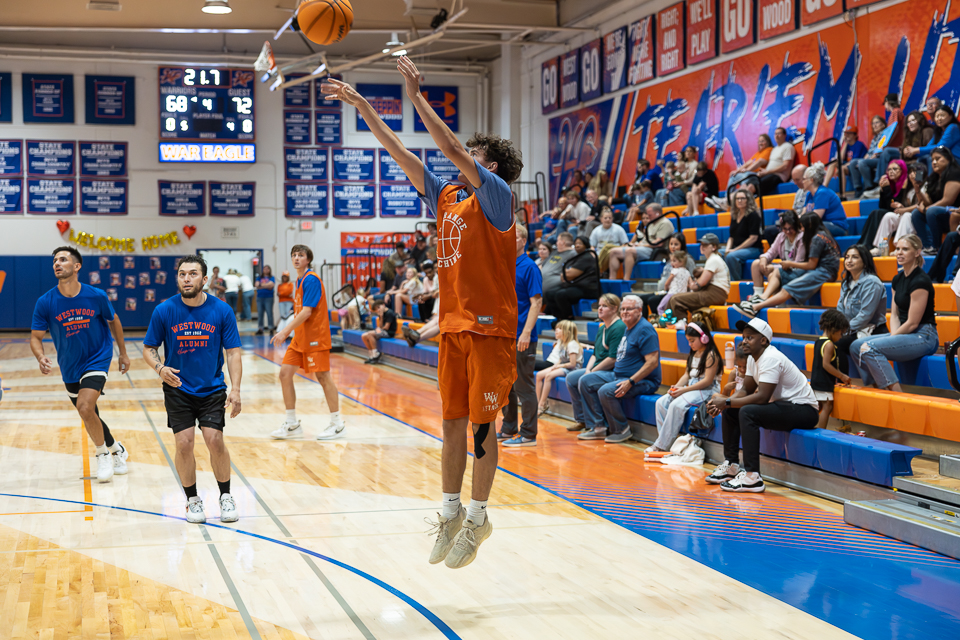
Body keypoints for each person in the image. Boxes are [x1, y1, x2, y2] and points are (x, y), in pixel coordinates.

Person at [324, 59, 521, 569]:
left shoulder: (498, 197)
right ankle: (451, 512)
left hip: (490, 329)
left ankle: (478, 518)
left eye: (475, 156)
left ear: (491, 167)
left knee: (482, 429)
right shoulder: (448, 195)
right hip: (453, 327)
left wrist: (414, 95)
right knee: (451, 424)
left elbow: (449, 147)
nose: (463, 159)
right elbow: (400, 152)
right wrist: (363, 106)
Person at [142, 255, 242, 524]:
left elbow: (233, 352)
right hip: (178, 388)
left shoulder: (222, 310)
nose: (187, 279)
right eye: (182, 274)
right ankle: (193, 500)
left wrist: (236, 390)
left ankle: (225, 495)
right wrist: (160, 368)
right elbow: (149, 348)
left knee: (215, 440)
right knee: (184, 444)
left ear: (205, 279)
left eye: (193, 274)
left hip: (211, 388)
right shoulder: (164, 310)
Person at [31, 246, 131, 483]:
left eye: (63, 259)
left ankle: (102, 454)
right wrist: (40, 356)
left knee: (85, 407)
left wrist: (123, 353)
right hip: (69, 365)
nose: (57, 263)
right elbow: (35, 337)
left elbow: (114, 320)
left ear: (76, 266)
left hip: (97, 357)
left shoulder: (96, 295)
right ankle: (117, 449)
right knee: (89, 413)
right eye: (55, 261)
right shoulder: (45, 302)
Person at [705, 317, 819, 492]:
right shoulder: (752, 358)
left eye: (750, 337)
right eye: (744, 337)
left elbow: (762, 397)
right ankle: (732, 465)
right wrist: (724, 404)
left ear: (763, 340)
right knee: (731, 411)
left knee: (747, 412)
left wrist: (726, 401)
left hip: (804, 410)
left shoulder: (771, 357)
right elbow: (746, 390)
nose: (744, 341)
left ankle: (752, 476)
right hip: (785, 406)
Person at [270, 245, 345, 440]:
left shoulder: (311, 279)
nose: (296, 258)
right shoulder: (299, 280)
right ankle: (292, 424)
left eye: (301, 255)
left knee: (323, 377)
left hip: (315, 338)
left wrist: (284, 331)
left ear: (308, 260)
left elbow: (307, 312)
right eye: (294, 255)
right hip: (300, 338)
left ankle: (337, 424)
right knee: (285, 374)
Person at [850, 235, 939, 392]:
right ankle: (878, 389)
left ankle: (897, 395)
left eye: (905, 249)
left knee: (869, 348)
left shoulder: (921, 280)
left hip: (923, 335)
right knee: (856, 346)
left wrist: (893, 338)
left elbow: (912, 322)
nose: (899, 252)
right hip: (904, 332)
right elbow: (895, 314)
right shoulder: (897, 279)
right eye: (897, 249)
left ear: (917, 252)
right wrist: (894, 336)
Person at [576, 295, 661, 442]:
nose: (625, 312)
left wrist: (631, 381)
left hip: (643, 381)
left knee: (606, 390)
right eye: (623, 309)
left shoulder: (645, 329)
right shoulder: (628, 327)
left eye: (629, 309)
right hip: (618, 375)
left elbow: (652, 362)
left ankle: (621, 429)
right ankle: (598, 428)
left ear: (639, 310)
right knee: (586, 380)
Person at [736, 213, 840, 317]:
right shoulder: (822, 234)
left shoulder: (816, 239)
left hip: (824, 272)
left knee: (787, 288)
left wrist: (789, 263)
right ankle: (761, 298)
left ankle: (756, 306)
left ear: (809, 225)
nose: (801, 229)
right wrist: (765, 259)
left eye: (802, 226)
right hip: (822, 270)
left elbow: (811, 265)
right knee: (776, 272)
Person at [647, 323, 723, 453]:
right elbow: (687, 375)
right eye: (688, 341)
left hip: (706, 390)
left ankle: (660, 446)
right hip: (693, 388)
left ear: (704, 338)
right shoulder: (694, 353)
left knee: (676, 405)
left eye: (692, 340)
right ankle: (666, 442)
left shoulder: (711, 355)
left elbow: (707, 381)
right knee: (661, 402)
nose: (690, 344)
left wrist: (684, 390)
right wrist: (676, 388)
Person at [499, 225, 543, 447]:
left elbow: (536, 302)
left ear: (523, 240)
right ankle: (508, 428)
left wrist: (526, 333)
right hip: (504, 336)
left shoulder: (530, 267)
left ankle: (528, 434)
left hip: (522, 337)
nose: (509, 239)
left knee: (524, 386)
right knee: (506, 385)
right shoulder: (504, 265)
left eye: (514, 237)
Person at [565, 294, 625, 432]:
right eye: (599, 306)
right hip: (599, 368)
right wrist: (588, 370)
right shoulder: (602, 327)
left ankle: (597, 425)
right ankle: (582, 420)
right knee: (571, 378)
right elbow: (595, 354)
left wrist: (591, 372)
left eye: (604, 306)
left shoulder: (619, 327)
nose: (600, 309)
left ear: (614, 308)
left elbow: (613, 359)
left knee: (586, 380)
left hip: (612, 371)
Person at [835, 245, 889, 366]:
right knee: (824, 342)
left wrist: (843, 331)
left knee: (835, 344)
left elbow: (865, 315)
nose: (849, 260)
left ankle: (842, 377)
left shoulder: (872, 282)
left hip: (872, 331)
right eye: (847, 257)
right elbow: (840, 310)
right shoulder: (846, 282)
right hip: (852, 330)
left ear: (864, 262)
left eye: (854, 257)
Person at [668, 233, 731, 318]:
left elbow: (700, 283)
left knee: (676, 299)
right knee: (674, 298)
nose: (702, 247)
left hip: (715, 294)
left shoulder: (713, 259)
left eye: (705, 245)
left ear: (714, 247)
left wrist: (692, 285)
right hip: (715, 293)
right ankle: (670, 320)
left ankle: (681, 323)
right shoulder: (714, 258)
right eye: (701, 244)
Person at [911, 146, 960, 253]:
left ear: (948, 159)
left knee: (932, 211)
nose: (934, 162)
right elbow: (927, 201)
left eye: (938, 159)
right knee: (916, 213)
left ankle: (936, 246)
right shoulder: (933, 177)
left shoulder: (955, 173)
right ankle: (927, 246)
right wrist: (917, 188)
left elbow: (948, 200)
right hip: (938, 215)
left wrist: (926, 209)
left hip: (955, 212)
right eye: (932, 160)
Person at [749, 210, 805, 302]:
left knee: (773, 274)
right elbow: (771, 252)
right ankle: (757, 295)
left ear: (796, 226)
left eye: (790, 228)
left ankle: (772, 302)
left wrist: (774, 267)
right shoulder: (781, 236)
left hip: (796, 271)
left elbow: (798, 265)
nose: (788, 231)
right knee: (756, 264)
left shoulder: (802, 238)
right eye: (785, 228)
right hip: (784, 268)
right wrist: (764, 258)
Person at [607, 203, 674, 279]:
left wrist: (640, 245)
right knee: (613, 252)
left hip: (653, 249)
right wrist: (636, 244)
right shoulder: (652, 223)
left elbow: (659, 243)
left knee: (629, 251)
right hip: (643, 247)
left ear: (657, 213)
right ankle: (612, 280)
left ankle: (626, 280)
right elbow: (645, 239)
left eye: (650, 215)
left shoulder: (665, 223)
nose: (648, 217)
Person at [811, 310, 853, 430]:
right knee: (827, 407)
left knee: (818, 407)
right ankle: (821, 431)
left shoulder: (818, 341)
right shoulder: (829, 344)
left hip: (815, 381)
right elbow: (826, 365)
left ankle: (811, 427)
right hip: (824, 382)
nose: (840, 337)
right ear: (834, 329)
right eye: (841, 333)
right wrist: (842, 376)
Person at [638, 233, 696, 317]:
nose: (673, 247)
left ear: (682, 245)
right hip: (663, 291)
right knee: (641, 299)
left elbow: (691, 278)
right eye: (671, 244)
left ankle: (660, 321)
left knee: (652, 300)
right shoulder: (670, 259)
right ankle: (644, 322)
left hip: (674, 292)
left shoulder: (687, 260)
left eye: (676, 244)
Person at [856, 159, 908, 252]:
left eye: (895, 169)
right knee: (875, 213)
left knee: (878, 213)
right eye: (889, 169)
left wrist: (886, 189)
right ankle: (863, 244)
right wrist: (882, 190)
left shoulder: (905, 183)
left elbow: (894, 205)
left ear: (902, 170)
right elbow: (882, 206)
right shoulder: (890, 184)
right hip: (891, 216)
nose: (891, 171)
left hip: (903, 216)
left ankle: (867, 245)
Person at [873, 162, 924, 255]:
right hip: (908, 217)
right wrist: (901, 206)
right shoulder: (908, 187)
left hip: (919, 217)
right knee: (889, 215)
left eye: (915, 172)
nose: (912, 175)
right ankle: (880, 247)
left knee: (907, 215)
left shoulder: (925, 185)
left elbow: (921, 204)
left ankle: (899, 247)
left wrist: (905, 209)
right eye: (910, 172)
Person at [710, 134, 774, 209]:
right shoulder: (758, 153)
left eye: (763, 141)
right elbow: (747, 163)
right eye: (759, 141)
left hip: (757, 175)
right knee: (733, 175)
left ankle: (728, 201)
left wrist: (747, 170)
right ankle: (726, 199)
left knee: (746, 178)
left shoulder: (769, 150)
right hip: (750, 174)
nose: (760, 143)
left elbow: (759, 162)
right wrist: (737, 171)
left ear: (768, 142)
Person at [544, 236, 600, 320]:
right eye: (576, 243)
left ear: (586, 245)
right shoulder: (578, 257)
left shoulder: (586, 257)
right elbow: (566, 274)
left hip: (588, 289)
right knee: (549, 293)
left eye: (580, 243)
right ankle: (558, 317)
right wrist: (565, 274)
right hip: (576, 286)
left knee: (561, 295)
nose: (577, 245)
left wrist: (565, 274)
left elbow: (569, 275)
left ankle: (568, 318)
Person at [535, 320, 582, 415]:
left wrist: (559, 366)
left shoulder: (572, 344)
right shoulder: (563, 343)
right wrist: (556, 365)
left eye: (560, 329)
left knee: (548, 376)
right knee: (539, 375)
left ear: (567, 332)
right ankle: (536, 403)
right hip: (564, 366)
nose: (556, 330)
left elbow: (572, 364)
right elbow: (561, 358)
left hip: (572, 370)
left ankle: (542, 404)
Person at [723, 190, 763, 280]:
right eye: (737, 199)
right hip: (738, 248)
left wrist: (734, 250)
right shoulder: (734, 215)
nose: (739, 201)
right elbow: (731, 237)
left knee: (731, 256)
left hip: (753, 249)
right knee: (718, 253)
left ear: (748, 200)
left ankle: (735, 282)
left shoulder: (753, 215)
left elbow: (753, 238)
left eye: (742, 198)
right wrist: (727, 249)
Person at [803, 162, 849, 237]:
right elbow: (803, 215)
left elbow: (815, 218)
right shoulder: (809, 194)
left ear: (811, 180)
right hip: (823, 225)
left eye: (804, 179)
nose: (802, 182)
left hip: (837, 226)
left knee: (813, 226)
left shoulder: (822, 193)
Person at [847, 115, 888, 197]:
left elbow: (881, 150)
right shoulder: (874, 138)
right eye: (873, 123)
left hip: (880, 158)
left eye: (877, 123)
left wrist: (866, 160)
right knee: (853, 162)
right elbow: (869, 153)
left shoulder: (885, 135)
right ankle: (858, 188)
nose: (874, 125)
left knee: (862, 163)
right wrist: (863, 160)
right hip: (871, 158)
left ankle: (869, 187)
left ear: (883, 124)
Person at [756, 127, 795, 195]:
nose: (776, 136)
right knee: (752, 181)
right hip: (769, 174)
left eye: (779, 133)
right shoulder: (774, 149)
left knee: (758, 184)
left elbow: (785, 166)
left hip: (779, 176)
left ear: (784, 135)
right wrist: (763, 172)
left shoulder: (788, 146)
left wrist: (767, 172)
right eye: (775, 134)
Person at [541, 232, 576, 303]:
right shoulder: (554, 252)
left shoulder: (573, 254)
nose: (556, 243)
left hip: (554, 285)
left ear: (562, 242)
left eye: (557, 240)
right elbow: (542, 266)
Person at [360, 299, 398, 364]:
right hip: (383, 331)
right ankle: (371, 355)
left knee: (369, 334)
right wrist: (381, 316)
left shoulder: (390, 313)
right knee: (364, 336)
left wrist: (378, 329)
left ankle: (376, 354)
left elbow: (386, 327)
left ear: (383, 305)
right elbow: (380, 326)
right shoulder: (381, 314)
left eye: (378, 307)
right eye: (376, 309)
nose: (378, 310)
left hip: (389, 333)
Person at [255, 265, 276, 335]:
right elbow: (256, 285)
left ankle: (271, 328)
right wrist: (267, 285)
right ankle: (260, 328)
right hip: (260, 297)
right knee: (260, 314)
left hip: (269, 297)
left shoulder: (272, 277)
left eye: (267, 269)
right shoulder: (259, 278)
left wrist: (261, 285)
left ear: (269, 270)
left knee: (269, 313)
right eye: (264, 269)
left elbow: (271, 285)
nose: (266, 270)